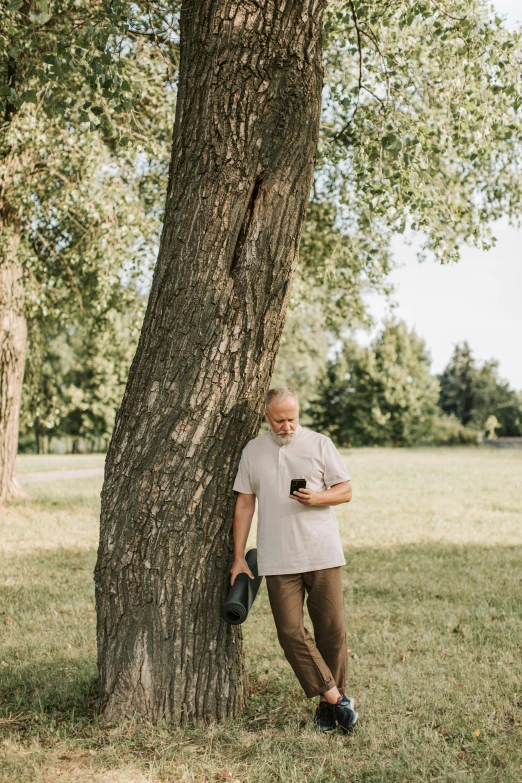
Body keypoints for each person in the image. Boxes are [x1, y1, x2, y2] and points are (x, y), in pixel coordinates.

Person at [230, 386, 358, 734]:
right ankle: (336, 698)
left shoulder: (319, 444)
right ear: (267, 417)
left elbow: (345, 490)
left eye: (292, 419)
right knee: (289, 632)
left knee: (331, 632)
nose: (287, 426)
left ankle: (327, 709)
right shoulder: (253, 451)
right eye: (280, 420)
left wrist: (318, 498)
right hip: (277, 556)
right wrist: (239, 557)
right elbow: (244, 504)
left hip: (321, 552)